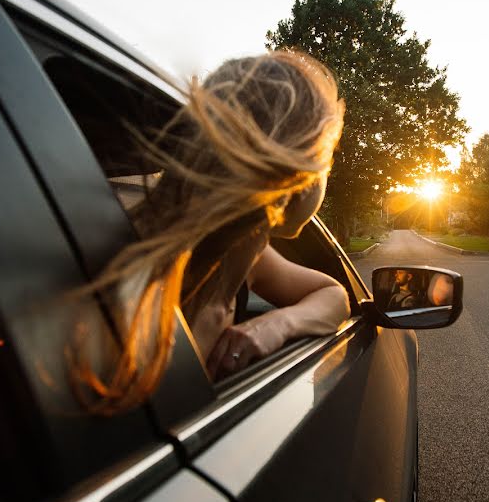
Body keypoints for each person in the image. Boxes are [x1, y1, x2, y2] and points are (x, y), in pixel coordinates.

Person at [67, 51, 351, 415]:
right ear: (297, 176)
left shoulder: (245, 253)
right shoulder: (141, 291)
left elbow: (334, 296)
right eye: (328, 156)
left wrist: (275, 326)